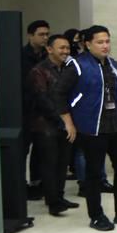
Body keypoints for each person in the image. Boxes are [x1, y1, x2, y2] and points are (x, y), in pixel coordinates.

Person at [54, 25, 117, 231]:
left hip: (115, 126)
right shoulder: (77, 65)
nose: (105, 46)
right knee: (94, 173)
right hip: (91, 128)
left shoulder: (113, 64)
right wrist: (68, 122)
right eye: (100, 42)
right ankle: (96, 215)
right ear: (88, 44)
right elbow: (59, 94)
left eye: (107, 41)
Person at [25, 33, 79, 216]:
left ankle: (59, 196)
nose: (66, 51)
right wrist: (63, 120)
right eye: (61, 48)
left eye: (67, 48)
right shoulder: (38, 71)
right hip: (44, 126)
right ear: (49, 49)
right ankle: (53, 201)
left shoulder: (68, 69)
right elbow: (42, 99)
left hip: (66, 124)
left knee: (63, 162)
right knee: (49, 164)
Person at [21, 19, 52, 196]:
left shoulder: (47, 56)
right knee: (23, 149)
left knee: (41, 150)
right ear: (30, 35)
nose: (45, 38)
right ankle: (20, 185)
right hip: (25, 109)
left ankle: (37, 183)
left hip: (43, 110)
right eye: (41, 34)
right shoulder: (20, 55)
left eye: (47, 34)